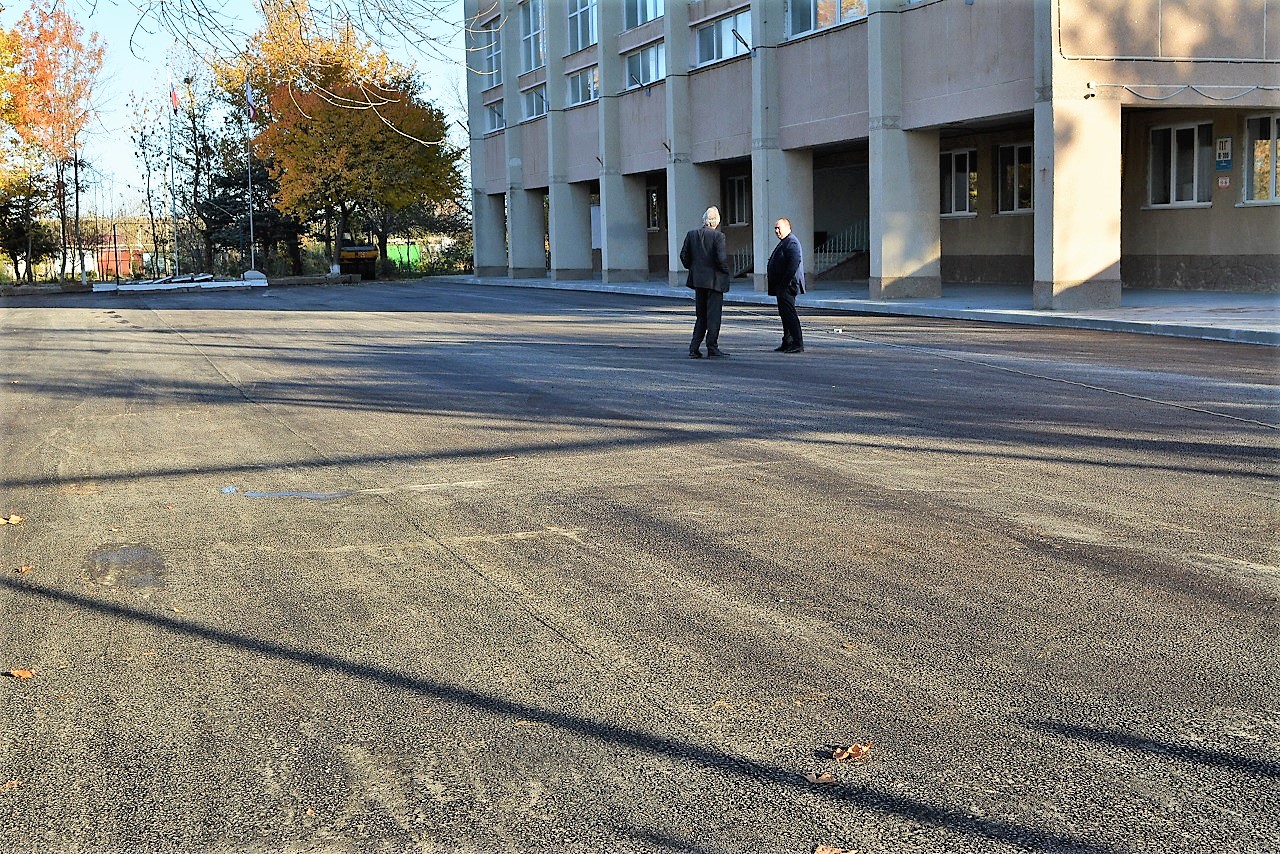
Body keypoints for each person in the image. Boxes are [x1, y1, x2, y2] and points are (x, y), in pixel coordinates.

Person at [679, 206, 732, 359]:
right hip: (714, 281)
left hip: (698, 281)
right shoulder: (718, 237)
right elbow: (721, 259)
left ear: (704, 220)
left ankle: (694, 347)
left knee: (701, 316)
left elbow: (683, 255)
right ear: (717, 222)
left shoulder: (691, 235)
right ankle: (712, 347)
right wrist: (726, 271)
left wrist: (693, 268)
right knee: (714, 317)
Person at [766, 218, 806, 353]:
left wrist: (784, 283)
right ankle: (787, 341)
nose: (777, 231)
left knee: (790, 314)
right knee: (784, 314)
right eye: (775, 228)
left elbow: (794, 264)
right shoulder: (785, 242)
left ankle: (797, 343)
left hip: (788, 286)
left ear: (788, 228)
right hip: (782, 285)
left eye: (779, 228)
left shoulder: (792, 242)